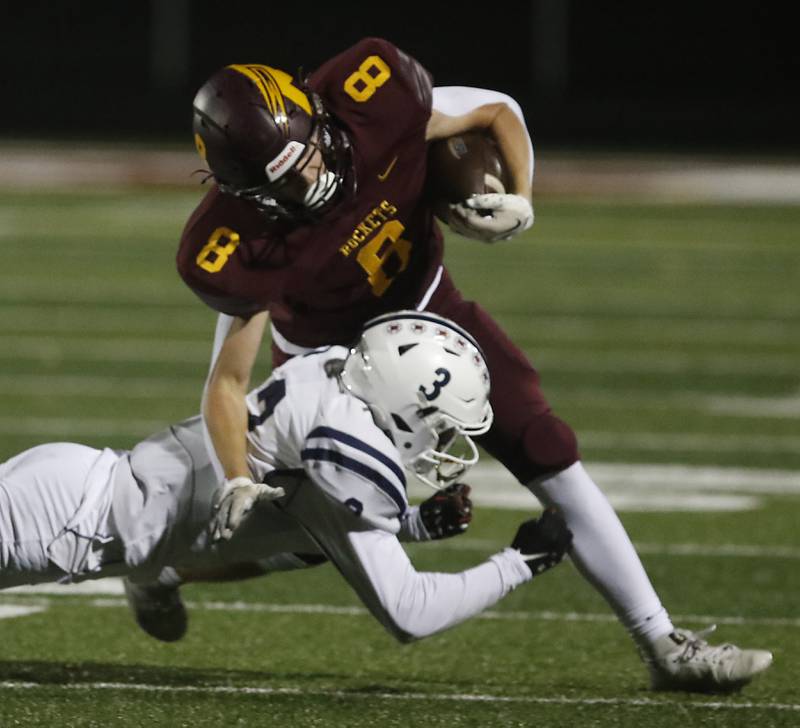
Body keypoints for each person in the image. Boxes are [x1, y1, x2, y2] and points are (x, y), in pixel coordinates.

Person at [176, 38, 772, 692]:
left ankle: (664, 643)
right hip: (334, 368)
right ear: (240, 190)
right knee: (308, 531)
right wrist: (236, 479)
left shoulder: (372, 102)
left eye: (307, 155)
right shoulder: (233, 242)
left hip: (430, 310)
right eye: (281, 179)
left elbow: (496, 111)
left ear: (314, 111)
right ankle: (165, 570)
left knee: (545, 443)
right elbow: (228, 380)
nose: (308, 179)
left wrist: (521, 196)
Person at [0, 311, 573, 644]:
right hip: (64, 520)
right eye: (441, 427)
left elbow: (303, 529)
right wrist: (518, 563)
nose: (441, 444)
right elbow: (409, 611)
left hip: (80, 497)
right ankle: (158, 574)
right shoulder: (347, 455)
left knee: (313, 549)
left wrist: (413, 526)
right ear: (407, 405)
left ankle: (158, 575)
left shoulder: (331, 372)